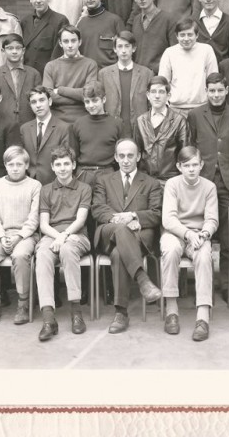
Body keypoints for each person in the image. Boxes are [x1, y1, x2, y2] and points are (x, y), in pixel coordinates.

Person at [91, 138, 164, 334]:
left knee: (118, 254)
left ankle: (121, 313)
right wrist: (120, 220)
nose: (125, 160)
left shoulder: (151, 183)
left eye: (130, 156)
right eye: (121, 156)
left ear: (138, 157)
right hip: (109, 233)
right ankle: (142, 279)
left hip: (139, 236)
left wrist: (134, 215)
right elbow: (97, 208)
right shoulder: (104, 180)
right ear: (115, 157)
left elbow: (157, 214)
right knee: (121, 230)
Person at [187, 73, 229, 300]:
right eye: (211, 90)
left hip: (228, 185)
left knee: (226, 237)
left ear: (227, 90)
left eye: (220, 90)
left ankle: (228, 287)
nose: (216, 95)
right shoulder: (195, 115)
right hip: (201, 184)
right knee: (200, 234)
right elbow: (190, 148)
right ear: (206, 91)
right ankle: (202, 287)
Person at [160, 146, 217, 342]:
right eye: (186, 165)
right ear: (179, 167)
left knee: (204, 256)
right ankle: (171, 310)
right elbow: (168, 219)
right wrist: (187, 234)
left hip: (199, 234)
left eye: (195, 165)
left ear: (201, 165)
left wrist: (204, 234)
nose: (191, 169)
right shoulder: (172, 184)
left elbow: (212, 219)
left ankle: (202, 316)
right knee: (170, 250)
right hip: (175, 233)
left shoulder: (209, 187)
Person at [35, 146, 92, 341]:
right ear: (52, 167)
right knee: (42, 254)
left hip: (76, 235)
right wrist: (57, 236)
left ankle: (76, 312)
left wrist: (64, 236)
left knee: (67, 250)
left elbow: (80, 220)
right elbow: (44, 224)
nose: (62, 168)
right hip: (52, 235)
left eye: (66, 164)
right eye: (58, 164)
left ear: (74, 165)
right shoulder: (46, 190)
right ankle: (48, 318)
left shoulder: (84, 188)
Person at [0, 145, 41, 325]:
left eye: (19, 164)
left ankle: (23, 304)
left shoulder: (35, 185)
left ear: (26, 165)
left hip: (25, 235)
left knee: (20, 255)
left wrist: (19, 236)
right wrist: (1, 237)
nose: (15, 168)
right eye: (11, 164)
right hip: (1, 234)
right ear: (5, 165)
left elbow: (34, 217)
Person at [133, 76, 189, 183]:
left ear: (168, 96)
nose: (157, 96)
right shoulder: (140, 121)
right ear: (148, 95)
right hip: (145, 180)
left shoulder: (179, 120)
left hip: (171, 180)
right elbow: (137, 152)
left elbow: (185, 153)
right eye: (153, 92)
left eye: (161, 92)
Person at [158, 18, 218, 115]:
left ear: (197, 35)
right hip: (175, 109)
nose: (186, 39)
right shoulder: (169, 53)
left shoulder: (206, 50)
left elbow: (213, 79)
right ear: (177, 36)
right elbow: (163, 82)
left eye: (190, 35)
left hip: (201, 107)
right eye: (182, 35)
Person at [98, 31, 153, 136]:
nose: (123, 50)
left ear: (134, 48)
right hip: (112, 129)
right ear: (115, 49)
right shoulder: (104, 74)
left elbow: (151, 104)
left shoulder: (146, 74)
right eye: (120, 46)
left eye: (127, 46)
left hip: (139, 129)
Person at [69, 80, 123, 187]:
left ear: (104, 99)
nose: (91, 105)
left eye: (95, 100)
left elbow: (121, 153)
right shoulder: (78, 124)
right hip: (83, 173)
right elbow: (73, 154)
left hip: (107, 173)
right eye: (87, 101)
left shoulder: (117, 123)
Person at [42, 25, 99, 124]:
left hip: (83, 119)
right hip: (57, 120)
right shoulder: (51, 66)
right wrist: (79, 96)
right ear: (60, 43)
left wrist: (60, 90)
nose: (70, 45)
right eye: (66, 41)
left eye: (73, 41)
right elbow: (48, 97)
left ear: (80, 42)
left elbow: (89, 94)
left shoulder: (90, 64)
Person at [0, 33, 42, 127]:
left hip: (28, 124)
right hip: (1, 125)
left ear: (23, 51)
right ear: (3, 51)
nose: (14, 51)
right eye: (10, 48)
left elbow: (39, 101)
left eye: (18, 48)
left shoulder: (34, 74)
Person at [20, 0, 69, 77]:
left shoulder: (60, 21)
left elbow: (59, 53)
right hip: (27, 74)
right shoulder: (25, 21)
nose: (38, 0)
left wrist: (50, 75)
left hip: (46, 74)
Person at [76, 0, 125, 69]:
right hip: (87, 74)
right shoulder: (80, 24)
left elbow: (125, 52)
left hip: (110, 74)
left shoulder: (114, 21)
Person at [131, 0, 176, 74]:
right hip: (139, 74)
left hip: (160, 75)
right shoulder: (136, 20)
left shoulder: (168, 19)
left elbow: (175, 51)